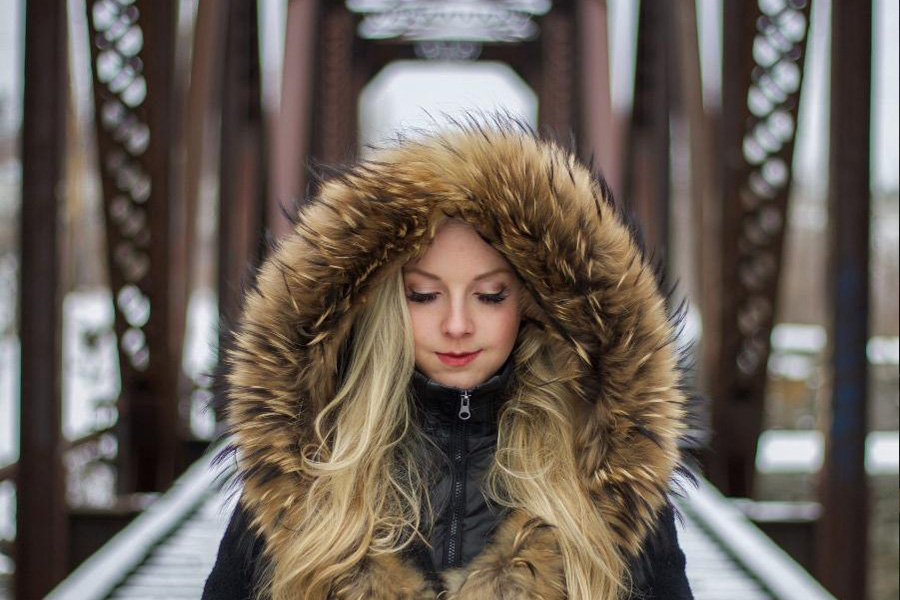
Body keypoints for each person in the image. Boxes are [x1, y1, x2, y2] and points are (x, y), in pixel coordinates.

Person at [203, 118, 695, 599]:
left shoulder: (610, 486)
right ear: (384, 306)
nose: (456, 325)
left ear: (528, 303)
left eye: (489, 296)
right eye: (422, 295)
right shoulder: (300, 476)